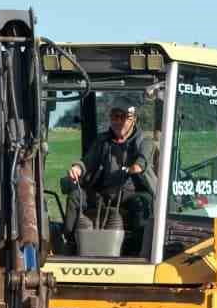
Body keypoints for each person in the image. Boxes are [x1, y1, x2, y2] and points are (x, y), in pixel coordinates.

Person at [65, 95, 157, 253]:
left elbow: (142, 162)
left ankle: (138, 251)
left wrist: (133, 168)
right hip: (104, 194)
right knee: (75, 196)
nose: (118, 121)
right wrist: (78, 168)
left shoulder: (145, 142)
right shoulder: (102, 141)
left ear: (133, 119)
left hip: (131, 193)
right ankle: (69, 242)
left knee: (142, 203)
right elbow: (88, 161)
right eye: (115, 116)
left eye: (123, 117)